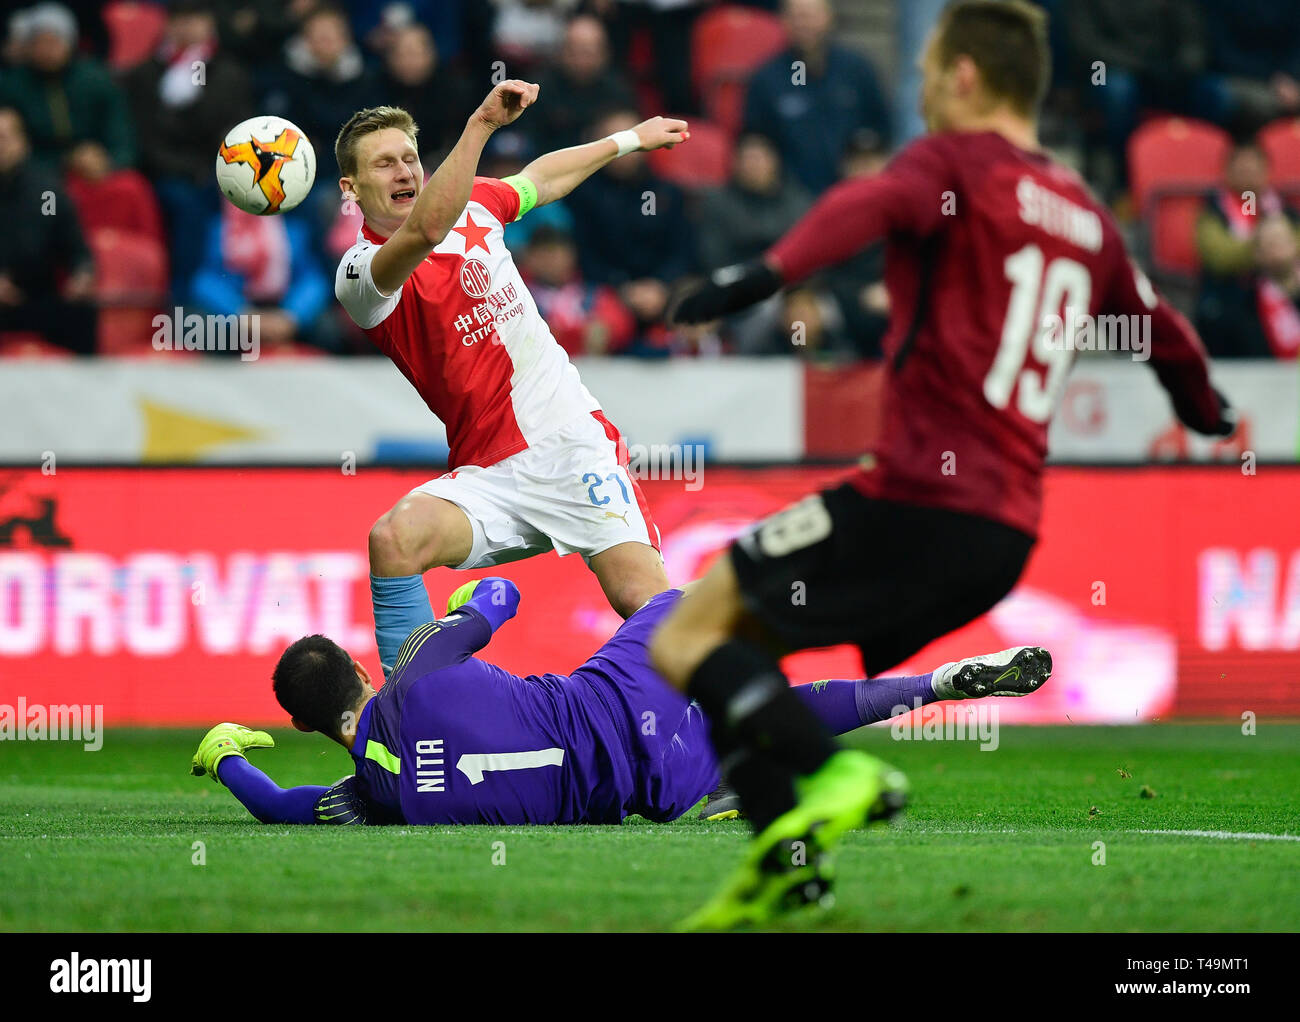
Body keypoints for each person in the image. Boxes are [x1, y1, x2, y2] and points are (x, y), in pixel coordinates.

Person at [652, 0, 1237, 931]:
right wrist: (1208, 410)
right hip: (1003, 538)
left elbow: (864, 204)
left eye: (928, 72)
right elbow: (1163, 331)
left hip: (914, 499)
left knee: (685, 638)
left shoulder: (952, 166)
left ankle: (838, 771)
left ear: (964, 75)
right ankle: (788, 862)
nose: (919, 91)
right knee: (745, 659)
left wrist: (760, 276)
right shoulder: (1084, 214)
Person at [189, 576, 1051, 831]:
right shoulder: (416, 666)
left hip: (651, 787)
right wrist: (481, 590)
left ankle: (735, 781)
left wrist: (223, 756)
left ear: (304, 724)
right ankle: (916, 656)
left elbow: (280, 807)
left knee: (761, 716)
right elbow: (499, 597)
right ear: (358, 664)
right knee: (696, 602)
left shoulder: (371, 802)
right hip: (618, 691)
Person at [332, 81, 686, 678]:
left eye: (409, 158)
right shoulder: (360, 273)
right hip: (489, 472)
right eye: (383, 163)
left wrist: (628, 140)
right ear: (351, 188)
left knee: (646, 606)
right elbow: (424, 232)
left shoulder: (475, 207)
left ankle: (722, 744)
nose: (402, 171)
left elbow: (542, 180)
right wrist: (481, 125)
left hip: (572, 442)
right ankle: (411, 725)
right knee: (393, 541)